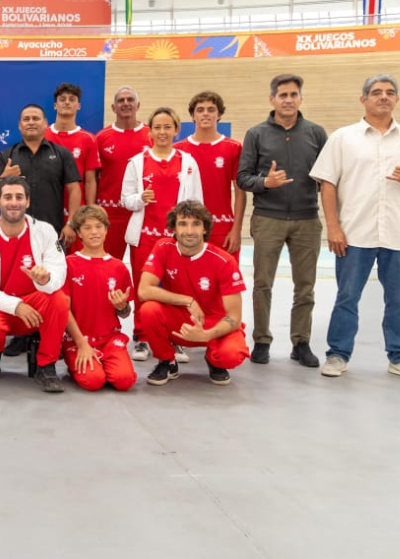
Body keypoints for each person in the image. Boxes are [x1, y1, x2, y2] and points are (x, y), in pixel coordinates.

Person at [310, 74, 400, 382]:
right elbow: (327, 184)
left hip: (399, 235)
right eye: (377, 92)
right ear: (364, 99)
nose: (384, 96)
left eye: (390, 92)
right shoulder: (343, 138)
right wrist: (333, 228)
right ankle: (337, 354)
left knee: (399, 302)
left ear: (397, 99)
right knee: (347, 298)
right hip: (355, 235)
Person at [237, 74, 327, 368]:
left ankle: (301, 343)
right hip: (268, 218)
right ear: (272, 99)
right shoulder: (256, 134)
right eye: (283, 95)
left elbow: (328, 177)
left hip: (306, 219)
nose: (288, 100)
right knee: (262, 283)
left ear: (301, 98)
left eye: (293, 94)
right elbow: (243, 178)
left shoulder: (316, 133)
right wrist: (266, 183)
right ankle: (261, 340)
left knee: (305, 286)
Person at [0, 176, 69, 393]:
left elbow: (59, 271)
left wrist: (46, 279)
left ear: (28, 201)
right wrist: (15, 306)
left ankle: (46, 366)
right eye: (8, 197)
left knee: (59, 300)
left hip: (33, 309)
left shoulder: (45, 231)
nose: (14, 202)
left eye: (19, 197)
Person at [137, 201, 249, 387]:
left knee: (231, 355)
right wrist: (187, 300)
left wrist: (207, 334)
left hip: (214, 323)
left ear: (205, 229)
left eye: (196, 224)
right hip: (180, 320)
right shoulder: (163, 247)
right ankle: (167, 361)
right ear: (174, 228)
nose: (189, 231)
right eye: (183, 224)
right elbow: (143, 290)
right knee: (149, 310)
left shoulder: (224, 261)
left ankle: (215, 360)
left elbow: (234, 318)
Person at [121, 107, 202, 363]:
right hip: (145, 237)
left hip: (176, 240)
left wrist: (193, 234)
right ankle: (142, 336)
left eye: (168, 127)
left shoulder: (188, 162)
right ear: (150, 131)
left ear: (177, 130)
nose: (162, 132)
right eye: (157, 127)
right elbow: (125, 200)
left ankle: (174, 337)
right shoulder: (137, 162)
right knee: (143, 287)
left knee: (175, 287)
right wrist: (140, 198)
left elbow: (196, 202)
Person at [61, 205, 136, 391]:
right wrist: (81, 344)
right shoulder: (68, 264)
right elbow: (64, 309)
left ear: (106, 229)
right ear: (79, 232)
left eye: (98, 226)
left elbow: (125, 313)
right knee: (93, 381)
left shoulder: (119, 267)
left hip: (109, 339)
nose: (94, 232)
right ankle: (80, 362)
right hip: (78, 339)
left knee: (125, 380)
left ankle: (106, 363)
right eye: (87, 228)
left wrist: (121, 307)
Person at [0, 103, 82, 246]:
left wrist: (71, 223)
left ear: (45, 123)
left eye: (36, 118)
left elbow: (74, 190)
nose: (31, 122)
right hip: (13, 235)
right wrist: (4, 176)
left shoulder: (62, 153)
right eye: (26, 119)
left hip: (53, 234)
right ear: (20, 125)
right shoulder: (7, 155)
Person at [174, 91, 246, 262]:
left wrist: (236, 229)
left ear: (219, 114)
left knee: (226, 276)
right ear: (193, 116)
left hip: (223, 229)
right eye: (200, 110)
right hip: (189, 228)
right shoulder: (178, 150)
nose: (205, 114)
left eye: (211, 109)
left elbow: (240, 192)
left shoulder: (233, 148)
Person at [93, 86, 152, 260]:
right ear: (113, 108)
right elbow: (92, 178)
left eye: (130, 99)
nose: (126, 103)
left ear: (138, 105)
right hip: (110, 213)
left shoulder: (151, 135)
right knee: (108, 264)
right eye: (121, 100)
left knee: (143, 266)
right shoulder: (101, 138)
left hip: (143, 212)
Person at [44, 83, 101, 249]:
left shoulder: (88, 139)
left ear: (78, 105)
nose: (67, 102)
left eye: (71, 99)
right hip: (47, 212)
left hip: (75, 214)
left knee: (74, 260)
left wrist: (89, 211)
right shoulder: (42, 136)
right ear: (55, 105)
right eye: (62, 99)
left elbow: (90, 180)